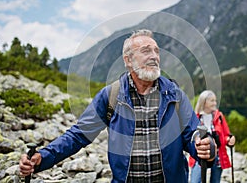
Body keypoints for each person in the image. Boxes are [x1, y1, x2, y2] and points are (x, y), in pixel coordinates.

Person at [19, 29, 216, 183]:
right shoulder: (111, 95)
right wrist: (43, 157)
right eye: (146, 50)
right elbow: (79, 135)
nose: (155, 56)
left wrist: (206, 147)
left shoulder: (174, 94)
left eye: (157, 51)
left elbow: (193, 134)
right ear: (128, 60)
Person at [189, 90, 236, 183]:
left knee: (215, 181)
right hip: (200, 154)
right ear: (204, 102)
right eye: (212, 101)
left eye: (215, 100)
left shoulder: (219, 116)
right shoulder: (195, 117)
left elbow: (226, 134)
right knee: (196, 180)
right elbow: (189, 136)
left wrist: (229, 139)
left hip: (217, 155)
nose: (215, 103)